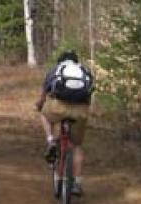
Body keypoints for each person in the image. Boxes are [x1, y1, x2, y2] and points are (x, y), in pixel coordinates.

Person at [35, 50, 93, 197]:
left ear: (60, 61)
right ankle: (77, 183)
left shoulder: (56, 70)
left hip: (58, 107)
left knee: (44, 115)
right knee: (77, 146)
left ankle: (50, 141)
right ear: (76, 60)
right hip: (80, 111)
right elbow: (89, 94)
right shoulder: (84, 70)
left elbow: (43, 95)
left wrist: (39, 105)